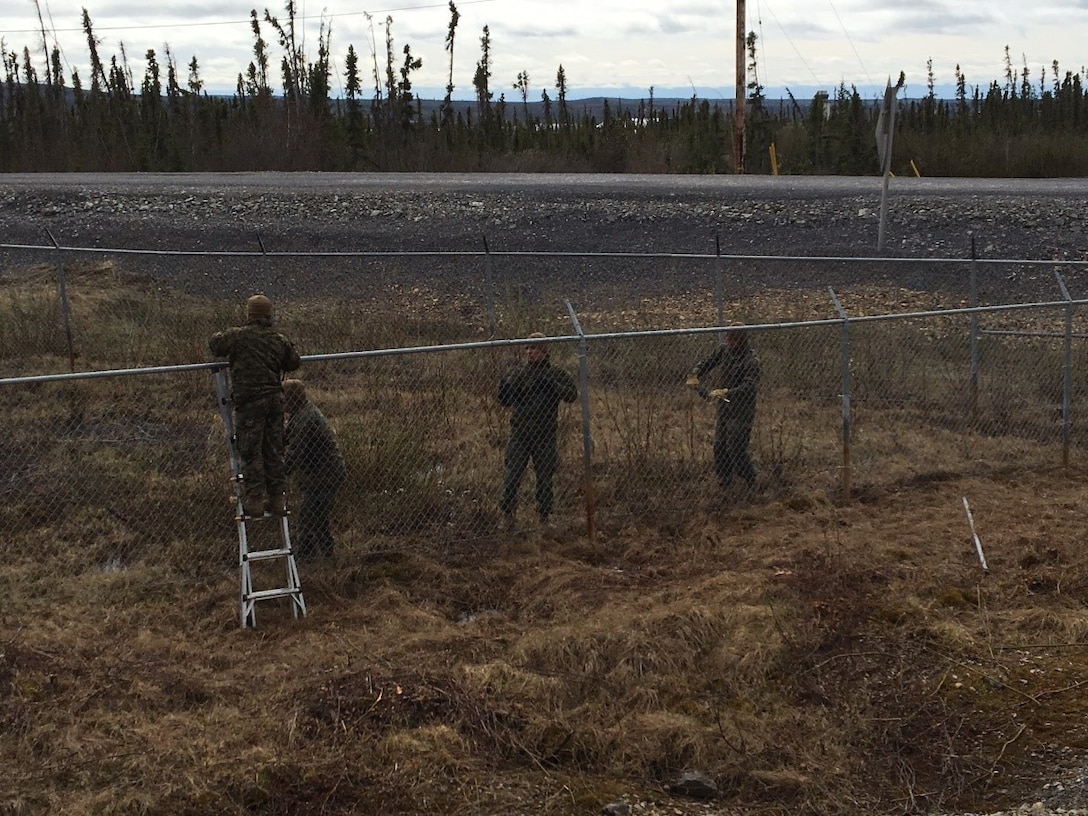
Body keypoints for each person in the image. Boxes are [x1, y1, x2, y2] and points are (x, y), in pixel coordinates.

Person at [209, 294, 301, 518]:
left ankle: (255, 500)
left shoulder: (239, 337)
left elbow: (215, 344)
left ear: (249, 314)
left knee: (251, 451)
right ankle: (278, 499)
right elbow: (294, 361)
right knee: (274, 450)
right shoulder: (278, 340)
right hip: (275, 403)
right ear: (269, 315)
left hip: (251, 403)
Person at [498, 332, 578, 529]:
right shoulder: (518, 373)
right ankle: (508, 515)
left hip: (544, 434)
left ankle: (544, 518)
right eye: (527, 348)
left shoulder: (555, 373)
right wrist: (505, 390)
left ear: (544, 350)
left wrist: (553, 387)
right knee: (512, 474)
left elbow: (571, 395)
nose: (529, 352)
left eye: (533, 348)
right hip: (520, 433)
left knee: (544, 476)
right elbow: (505, 400)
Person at [687, 327, 761, 490]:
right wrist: (695, 373)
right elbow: (708, 362)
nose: (730, 342)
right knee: (720, 445)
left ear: (742, 340)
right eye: (729, 339)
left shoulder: (751, 361)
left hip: (742, 410)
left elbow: (749, 386)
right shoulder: (724, 351)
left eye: (734, 339)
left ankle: (750, 480)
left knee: (735, 447)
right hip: (724, 408)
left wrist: (727, 392)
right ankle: (725, 481)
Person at [282, 379, 347, 559]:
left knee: (307, 516)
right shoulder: (301, 413)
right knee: (318, 517)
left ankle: (306, 558)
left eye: (283, 400)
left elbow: (295, 453)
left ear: (292, 400)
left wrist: (278, 476)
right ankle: (327, 553)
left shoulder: (306, 419)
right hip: (319, 475)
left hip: (325, 475)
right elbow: (287, 438)